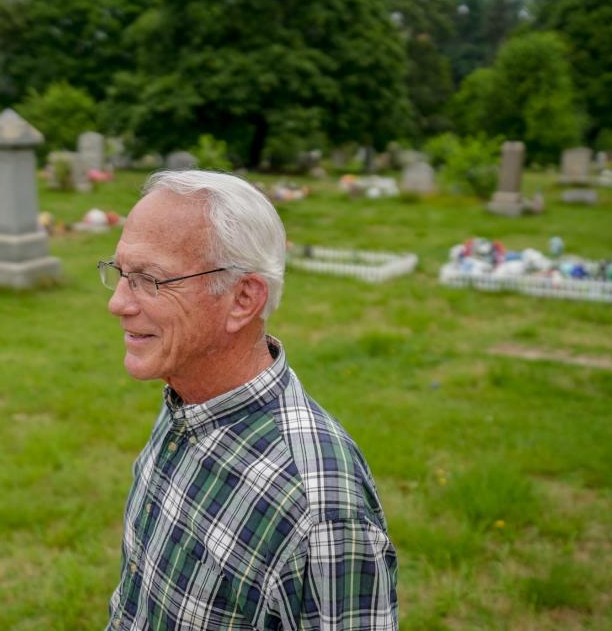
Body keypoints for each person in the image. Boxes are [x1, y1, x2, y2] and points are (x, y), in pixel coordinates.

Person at [99, 170, 397, 631]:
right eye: (120, 273)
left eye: (149, 280)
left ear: (242, 298)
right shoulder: (189, 401)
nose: (118, 303)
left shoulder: (317, 508)